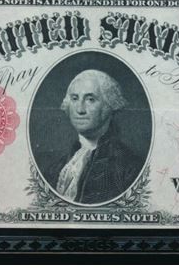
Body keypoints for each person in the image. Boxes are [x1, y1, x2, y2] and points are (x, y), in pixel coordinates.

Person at [42, 69, 142, 204]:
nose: (80, 109)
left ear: (110, 105)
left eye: (90, 99)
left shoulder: (129, 167)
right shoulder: (56, 168)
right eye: (74, 98)